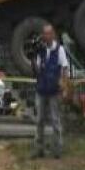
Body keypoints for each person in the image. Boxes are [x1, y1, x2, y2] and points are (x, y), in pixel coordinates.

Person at [31, 23, 70, 159]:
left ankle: (57, 149)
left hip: (54, 90)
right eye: (44, 34)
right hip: (41, 89)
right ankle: (38, 149)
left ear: (52, 35)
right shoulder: (40, 50)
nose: (46, 36)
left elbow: (64, 68)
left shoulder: (59, 50)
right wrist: (32, 57)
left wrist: (64, 87)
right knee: (39, 120)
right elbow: (37, 70)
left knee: (55, 120)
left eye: (49, 33)